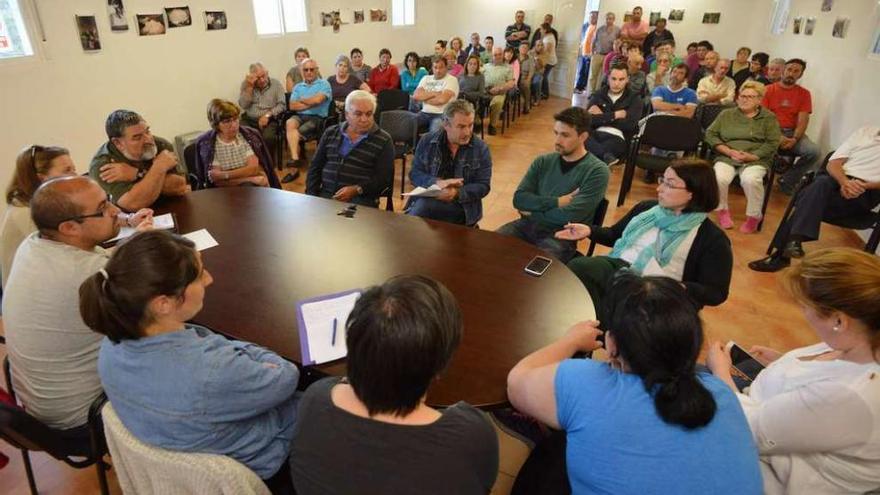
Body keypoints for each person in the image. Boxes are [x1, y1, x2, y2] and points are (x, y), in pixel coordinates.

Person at [81, 230, 300, 490]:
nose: (209, 279)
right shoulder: (213, 370)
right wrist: (247, 353)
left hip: (180, 448)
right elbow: (286, 376)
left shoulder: (110, 347)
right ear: (163, 304)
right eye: (199, 275)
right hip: (264, 462)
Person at [507, 272, 762, 495]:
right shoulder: (723, 394)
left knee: (549, 455)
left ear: (612, 344)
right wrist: (721, 371)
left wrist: (571, 341)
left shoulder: (590, 385)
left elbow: (517, 382)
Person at [289, 275, 499, 494]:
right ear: (439, 368)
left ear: (354, 347)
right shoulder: (469, 435)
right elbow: (484, 483)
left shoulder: (315, 398)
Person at [708, 248, 880, 494]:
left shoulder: (852, 396)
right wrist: (784, 362)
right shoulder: (859, 342)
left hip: (762, 471)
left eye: (805, 305)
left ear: (839, 321)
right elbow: (825, 379)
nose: (803, 312)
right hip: (760, 409)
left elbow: (748, 431)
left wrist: (721, 373)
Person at [3, 176, 151, 435]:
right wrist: (148, 247)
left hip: (38, 406)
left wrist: (130, 246)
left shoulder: (33, 244)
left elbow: (99, 262)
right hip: (84, 416)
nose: (115, 211)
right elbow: (154, 314)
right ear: (70, 227)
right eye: (103, 208)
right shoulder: (88, 275)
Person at [560, 159, 732, 312]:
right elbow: (615, 235)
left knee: (595, 282)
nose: (659, 189)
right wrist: (590, 231)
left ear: (693, 192)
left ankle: (595, 335)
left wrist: (681, 287)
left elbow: (716, 292)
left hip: (660, 293)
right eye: (662, 181)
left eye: (669, 184)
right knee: (580, 269)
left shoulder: (712, 239)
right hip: (619, 271)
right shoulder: (647, 209)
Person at [749, 125, 880, 272]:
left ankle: (784, 253)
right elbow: (833, 163)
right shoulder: (865, 132)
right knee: (820, 184)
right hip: (837, 181)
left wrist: (860, 186)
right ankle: (792, 243)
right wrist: (845, 182)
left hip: (867, 191)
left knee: (809, 197)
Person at [496, 107, 609, 263]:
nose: (557, 141)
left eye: (565, 135)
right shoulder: (543, 161)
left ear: (583, 137)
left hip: (561, 235)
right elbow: (519, 200)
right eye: (556, 133)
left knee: (534, 273)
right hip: (525, 225)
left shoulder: (597, 171)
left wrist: (532, 211)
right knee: (489, 249)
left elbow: (571, 215)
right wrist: (556, 202)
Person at [706, 81, 782, 233]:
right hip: (727, 155)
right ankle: (722, 210)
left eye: (750, 97)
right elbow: (710, 134)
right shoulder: (726, 114)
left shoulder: (768, 118)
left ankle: (754, 216)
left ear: (759, 100)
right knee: (719, 177)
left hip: (756, 158)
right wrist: (728, 151)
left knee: (750, 179)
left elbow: (773, 142)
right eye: (742, 96)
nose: (745, 99)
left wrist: (753, 156)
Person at [406, 99, 492, 227]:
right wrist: (436, 183)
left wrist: (455, 193)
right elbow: (415, 174)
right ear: (446, 124)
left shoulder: (481, 148)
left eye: (470, 125)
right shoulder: (427, 141)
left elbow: (483, 186)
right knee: (423, 209)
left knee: (422, 209)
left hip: (463, 206)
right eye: (461, 127)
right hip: (430, 198)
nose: (467, 132)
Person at [2, 145, 76, 288]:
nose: (75, 176)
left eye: (73, 169)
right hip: (31, 293)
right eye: (67, 170)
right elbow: (64, 254)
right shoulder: (24, 212)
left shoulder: (43, 205)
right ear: (42, 178)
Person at [306, 90, 394, 207]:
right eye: (358, 114)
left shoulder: (383, 140)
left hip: (361, 199)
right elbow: (315, 167)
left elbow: (383, 179)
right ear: (347, 114)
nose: (364, 119)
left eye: (369, 114)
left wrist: (357, 189)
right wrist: (311, 196)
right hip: (325, 195)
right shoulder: (331, 132)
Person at [88, 110, 188, 212]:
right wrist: (159, 167)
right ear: (117, 143)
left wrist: (138, 173)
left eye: (147, 131)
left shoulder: (161, 145)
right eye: (137, 137)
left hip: (172, 207)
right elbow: (134, 204)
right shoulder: (103, 164)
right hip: (131, 221)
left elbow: (180, 186)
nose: (148, 140)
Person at [193, 99, 279, 189]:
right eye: (227, 121)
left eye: (235, 119)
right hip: (224, 193)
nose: (234, 125)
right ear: (216, 124)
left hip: (252, 188)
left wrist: (225, 175)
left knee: (250, 186)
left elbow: (254, 169)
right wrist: (252, 179)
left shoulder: (249, 135)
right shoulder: (208, 143)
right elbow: (217, 182)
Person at [762, 58, 820, 193]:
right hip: (770, 131)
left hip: (792, 133)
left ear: (800, 74)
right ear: (783, 70)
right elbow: (763, 118)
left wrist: (794, 138)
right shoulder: (768, 90)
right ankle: (760, 176)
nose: (791, 73)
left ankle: (787, 180)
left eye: (796, 71)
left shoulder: (804, 94)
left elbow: (803, 120)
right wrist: (779, 137)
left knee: (814, 152)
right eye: (789, 69)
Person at [586, 65, 643, 166]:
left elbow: (630, 125)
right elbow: (588, 119)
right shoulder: (598, 95)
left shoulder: (635, 99)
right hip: (594, 134)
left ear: (627, 80)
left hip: (617, 137)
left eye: (621, 79)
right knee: (580, 136)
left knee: (589, 154)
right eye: (613, 79)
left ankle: (601, 156)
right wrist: (615, 115)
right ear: (608, 78)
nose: (616, 83)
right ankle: (605, 156)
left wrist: (602, 115)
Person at [285, 59, 332, 173]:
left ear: (316, 70)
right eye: (306, 70)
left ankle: (295, 163)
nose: (309, 72)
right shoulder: (298, 87)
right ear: (302, 72)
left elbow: (318, 100)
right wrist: (310, 103)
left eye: (312, 69)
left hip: (318, 118)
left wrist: (302, 100)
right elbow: (292, 106)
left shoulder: (324, 84)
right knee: (289, 123)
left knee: (297, 133)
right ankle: (296, 158)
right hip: (300, 116)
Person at [239, 63, 287, 152]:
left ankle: (267, 163)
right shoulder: (246, 85)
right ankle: (252, 161)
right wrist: (249, 87)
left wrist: (267, 115)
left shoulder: (276, 84)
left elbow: (282, 105)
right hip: (249, 119)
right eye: (258, 78)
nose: (262, 80)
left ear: (267, 73)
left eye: (263, 76)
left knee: (268, 138)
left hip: (270, 119)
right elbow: (243, 105)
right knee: (242, 134)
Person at [413, 57, 460, 133]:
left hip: (442, 115)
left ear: (446, 67)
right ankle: (414, 144)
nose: (438, 70)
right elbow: (416, 96)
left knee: (435, 132)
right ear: (432, 68)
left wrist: (424, 98)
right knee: (407, 123)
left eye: (441, 67)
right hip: (424, 113)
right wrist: (435, 93)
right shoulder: (426, 78)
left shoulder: (452, 79)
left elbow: (442, 100)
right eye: (435, 67)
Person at [483, 47, 516, 136]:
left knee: (497, 102)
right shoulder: (486, 66)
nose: (497, 56)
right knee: (475, 98)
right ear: (492, 56)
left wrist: (499, 88)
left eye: (499, 54)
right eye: (495, 54)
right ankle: (477, 122)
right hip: (485, 91)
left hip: (500, 92)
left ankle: (492, 125)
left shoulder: (508, 67)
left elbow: (511, 83)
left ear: (503, 55)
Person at [574, 11, 599, 93]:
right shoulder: (588, 26)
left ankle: (582, 88)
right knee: (581, 70)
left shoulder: (596, 27)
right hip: (584, 52)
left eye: (593, 17)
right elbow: (585, 39)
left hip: (590, 54)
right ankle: (579, 87)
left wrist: (592, 53)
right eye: (590, 17)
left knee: (586, 72)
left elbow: (594, 42)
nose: (591, 18)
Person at [538, 22, 558, 101]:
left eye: (541, 29)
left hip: (549, 61)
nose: (540, 30)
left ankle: (545, 94)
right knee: (544, 76)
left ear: (545, 30)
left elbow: (547, 52)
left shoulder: (549, 38)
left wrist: (542, 62)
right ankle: (543, 93)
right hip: (549, 60)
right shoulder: (549, 36)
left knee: (544, 77)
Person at [517, 44, 537, 113]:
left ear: (528, 50)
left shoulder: (530, 59)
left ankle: (526, 105)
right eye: (522, 47)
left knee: (526, 86)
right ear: (519, 48)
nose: (524, 49)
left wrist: (528, 79)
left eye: (526, 48)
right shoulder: (515, 57)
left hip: (524, 77)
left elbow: (532, 71)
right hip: (514, 77)